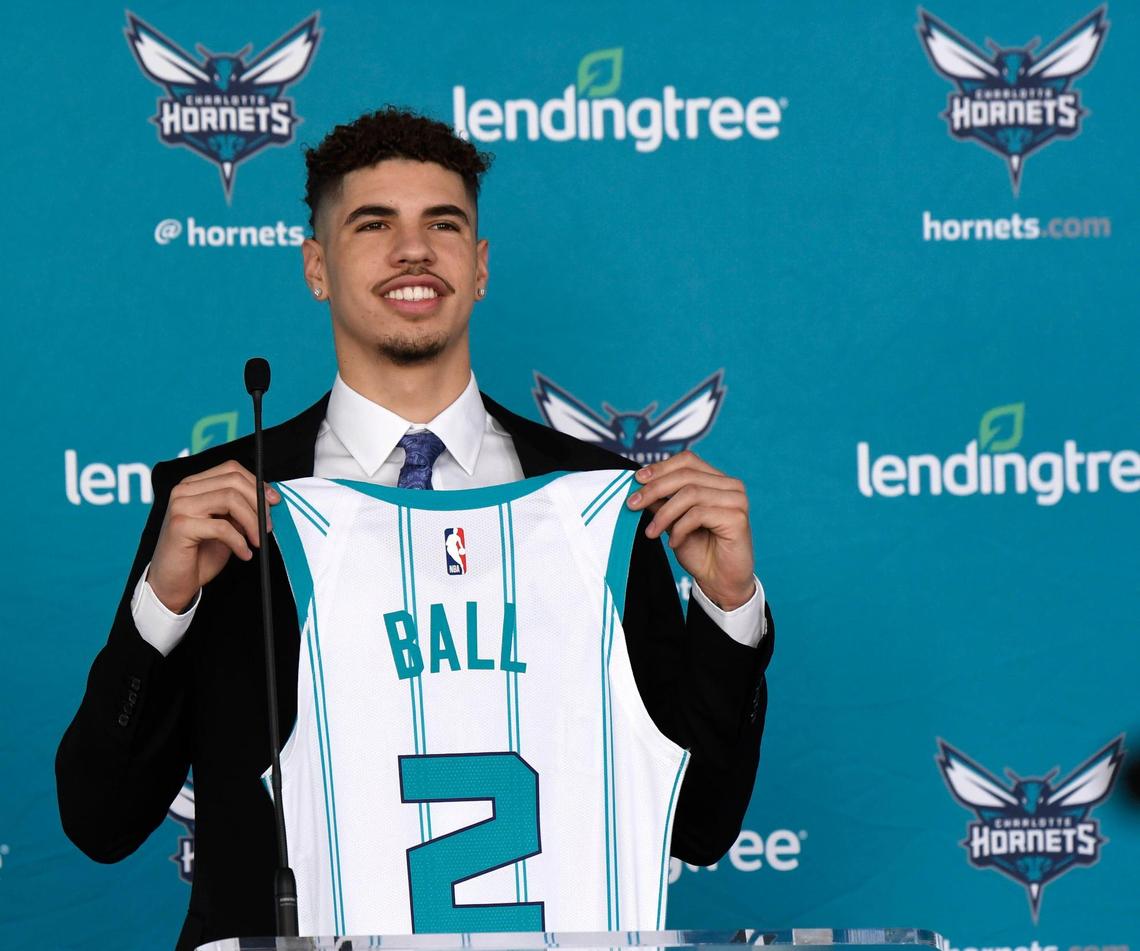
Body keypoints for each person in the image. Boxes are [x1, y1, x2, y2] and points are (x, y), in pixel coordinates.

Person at [56, 107, 774, 950]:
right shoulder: (220, 506)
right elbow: (100, 820)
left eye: (444, 224)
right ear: (317, 267)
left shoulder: (600, 505)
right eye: (373, 224)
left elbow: (697, 825)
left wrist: (729, 613)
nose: (413, 250)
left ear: (479, 267)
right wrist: (161, 605)